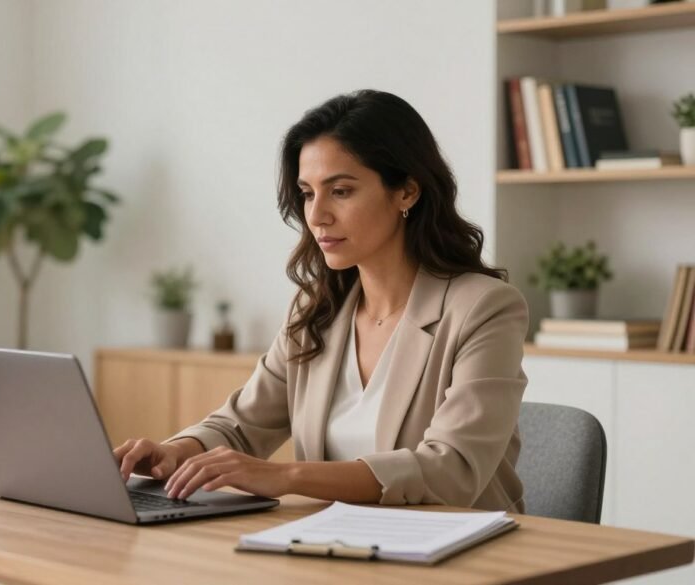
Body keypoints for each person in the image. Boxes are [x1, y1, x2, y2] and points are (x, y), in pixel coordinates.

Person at [114, 90, 529, 512]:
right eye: (308, 193)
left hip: (461, 556)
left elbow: (451, 470)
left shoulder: (484, 308)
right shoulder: (317, 310)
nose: (316, 215)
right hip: (335, 550)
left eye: (341, 191)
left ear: (406, 192)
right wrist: (177, 451)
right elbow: (242, 424)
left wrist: (286, 476)